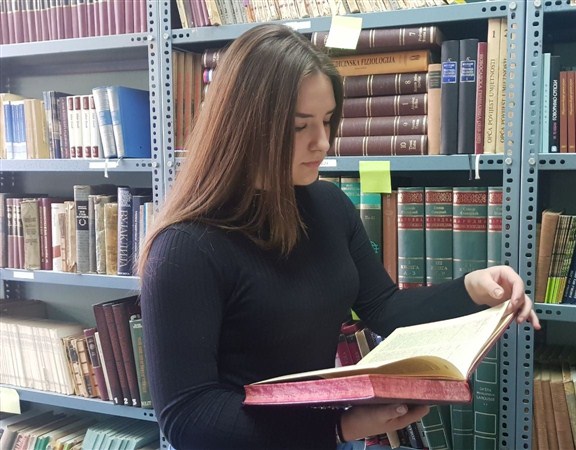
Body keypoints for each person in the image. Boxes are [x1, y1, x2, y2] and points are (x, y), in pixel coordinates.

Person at [137, 23, 541, 450]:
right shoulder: (186, 247)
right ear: (246, 125)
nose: (322, 142)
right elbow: (188, 416)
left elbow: (384, 308)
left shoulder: (328, 205)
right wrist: (337, 428)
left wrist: (471, 289)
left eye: (327, 121)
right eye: (300, 127)